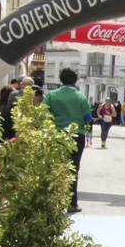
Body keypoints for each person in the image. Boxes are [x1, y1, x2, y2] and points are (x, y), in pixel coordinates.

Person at [42, 67, 91, 213]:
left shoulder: (52, 95)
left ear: (60, 79)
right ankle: (72, 203)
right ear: (75, 80)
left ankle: (53, 202)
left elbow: (42, 112)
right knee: (73, 169)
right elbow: (87, 118)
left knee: (54, 168)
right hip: (77, 136)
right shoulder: (81, 97)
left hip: (56, 135)